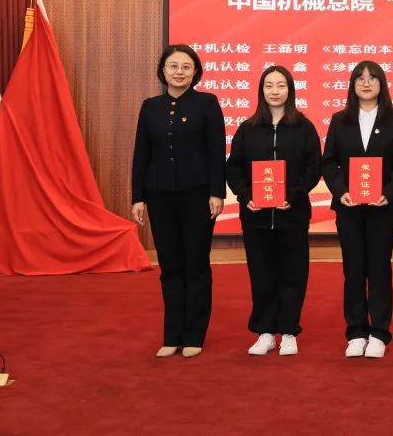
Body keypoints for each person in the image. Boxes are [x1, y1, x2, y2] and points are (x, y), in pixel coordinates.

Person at [131, 45, 225, 358]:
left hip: (198, 194)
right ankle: (172, 335)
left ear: (195, 71)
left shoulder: (207, 103)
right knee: (170, 265)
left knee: (196, 263)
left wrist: (217, 192)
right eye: (173, 66)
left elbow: (216, 151)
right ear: (163, 70)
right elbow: (141, 154)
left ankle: (194, 334)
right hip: (159, 194)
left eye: (186, 66)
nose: (179, 72)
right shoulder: (150, 107)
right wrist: (138, 197)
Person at [226, 66, 321, 357]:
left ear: (290, 90)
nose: (275, 91)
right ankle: (265, 332)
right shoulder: (248, 128)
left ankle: (289, 331)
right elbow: (234, 168)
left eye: (281, 85)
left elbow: (313, 168)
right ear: (261, 91)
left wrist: (293, 195)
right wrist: (245, 196)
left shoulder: (304, 127)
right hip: (255, 216)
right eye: (269, 86)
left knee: (294, 273)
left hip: (292, 214)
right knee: (262, 274)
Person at [322, 61, 393, 358]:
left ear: (381, 84)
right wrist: (341, 191)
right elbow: (329, 162)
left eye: (372, 78)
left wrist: (388, 193)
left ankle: (380, 333)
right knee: (354, 268)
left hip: (382, 207)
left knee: (379, 268)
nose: (366, 83)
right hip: (349, 207)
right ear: (352, 84)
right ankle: (356, 332)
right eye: (360, 78)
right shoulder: (340, 119)